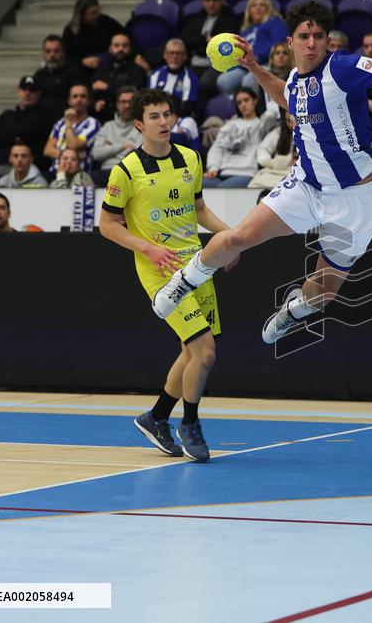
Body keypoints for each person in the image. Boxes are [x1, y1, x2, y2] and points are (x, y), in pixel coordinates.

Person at [150, 0, 372, 346]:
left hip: (355, 199)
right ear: (291, 42)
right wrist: (253, 65)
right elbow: (287, 96)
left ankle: (295, 310)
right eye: (304, 36)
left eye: (318, 36)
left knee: (323, 293)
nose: (311, 42)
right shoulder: (295, 79)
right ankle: (184, 281)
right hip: (307, 186)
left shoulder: (342, 68)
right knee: (239, 237)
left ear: (327, 40)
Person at [100, 88, 237, 463]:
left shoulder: (191, 158)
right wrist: (147, 248)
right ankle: (189, 424)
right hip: (160, 273)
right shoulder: (127, 170)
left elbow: (199, 209)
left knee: (191, 352)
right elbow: (107, 225)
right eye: (154, 116)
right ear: (138, 124)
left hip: (198, 266)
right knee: (205, 352)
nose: (163, 122)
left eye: (166, 114)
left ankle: (157, 417)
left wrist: (230, 239)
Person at [218, 0, 288, 95]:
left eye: (262, 5)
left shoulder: (275, 22)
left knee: (248, 82)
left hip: (265, 64)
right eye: (254, 5)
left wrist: (257, 57)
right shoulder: (246, 29)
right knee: (224, 81)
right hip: (245, 66)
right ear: (249, 10)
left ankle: (256, 105)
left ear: (268, 8)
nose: (258, 8)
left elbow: (278, 44)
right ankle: (238, 103)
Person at [181, 0, 240, 102]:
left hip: (216, 64)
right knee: (183, 81)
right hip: (194, 62)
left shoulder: (230, 20)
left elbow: (223, 46)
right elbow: (185, 40)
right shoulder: (196, 18)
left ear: (222, 1)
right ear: (203, 1)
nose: (211, 3)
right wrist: (205, 39)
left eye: (215, 0)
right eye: (207, 0)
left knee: (205, 84)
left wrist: (200, 44)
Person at [0, 76, 54, 174]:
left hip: (29, 170)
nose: (27, 93)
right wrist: (15, 137)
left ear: (38, 94)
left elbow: (26, 131)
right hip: (0, 166)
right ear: (18, 91)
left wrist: (5, 133)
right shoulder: (7, 115)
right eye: (24, 89)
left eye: (32, 90)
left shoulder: (43, 116)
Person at [204, 87, 269, 187]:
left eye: (246, 100)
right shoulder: (229, 126)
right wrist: (213, 168)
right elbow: (217, 148)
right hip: (223, 173)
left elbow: (271, 116)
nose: (243, 105)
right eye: (239, 102)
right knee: (199, 185)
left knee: (222, 188)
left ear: (255, 100)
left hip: (247, 174)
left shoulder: (262, 124)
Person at [44, 83, 101, 175]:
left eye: (83, 96)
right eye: (75, 96)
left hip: (79, 174)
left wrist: (68, 123)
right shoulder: (60, 123)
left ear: (88, 101)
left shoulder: (93, 124)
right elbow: (47, 150)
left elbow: (73, 145)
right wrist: (70, 157)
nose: (79, 99)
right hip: (55, 172)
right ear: (69, 101)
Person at [62, 0, 125, 77]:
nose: (96, 16)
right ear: (81, 14)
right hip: (81, 70)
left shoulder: (106, 22)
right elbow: (65, 57)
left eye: (97, 12)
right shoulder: (70, 31)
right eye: (92, 13)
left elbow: (124, 35)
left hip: (109, 66)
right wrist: (82, 61)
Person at [91, 32, 148, 119]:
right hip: (102, 116)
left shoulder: (137, 71)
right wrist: (95, 103)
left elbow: (134, 95)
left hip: (128, 116)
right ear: (110, 49)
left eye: (124, 46)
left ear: (130, 49)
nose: (120, 49)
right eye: (116, 45)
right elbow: (90, 93)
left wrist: (107, 87)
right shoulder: (102, 69)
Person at [92, 85, 143, 184]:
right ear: (117, 105)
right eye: (123, 102)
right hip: (106, 173)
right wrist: (122, 146)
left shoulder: (142, 126)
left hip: (131, 172)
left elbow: (138, 154)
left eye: (130, 102)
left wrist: (109, 148)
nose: (127, 105)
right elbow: (96, 153)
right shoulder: (107, 127)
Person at [34, 34, 84, 120]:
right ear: (43, 53)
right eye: (48, 51)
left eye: (56, 51)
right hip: (40, 118)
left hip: (66, 118)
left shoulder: (74, 73)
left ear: (63, 53)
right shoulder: (39, 75)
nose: (52, 55)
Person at [148, 38, 200, 119]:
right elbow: (148, 102)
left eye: (178, 53)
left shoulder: (191, 78)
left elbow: (187, 109)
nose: (174, 56)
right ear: (165, 55)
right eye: (171, 53)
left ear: (185, 56)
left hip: (179, 119)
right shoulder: (155, 74)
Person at [250, 120, 296, 188]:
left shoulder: (309, 133)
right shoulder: (277, 132)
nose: (292, 124)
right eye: (289, 121)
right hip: (279, 173)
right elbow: (262, 151)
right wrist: (274, 163)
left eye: (295, 120)